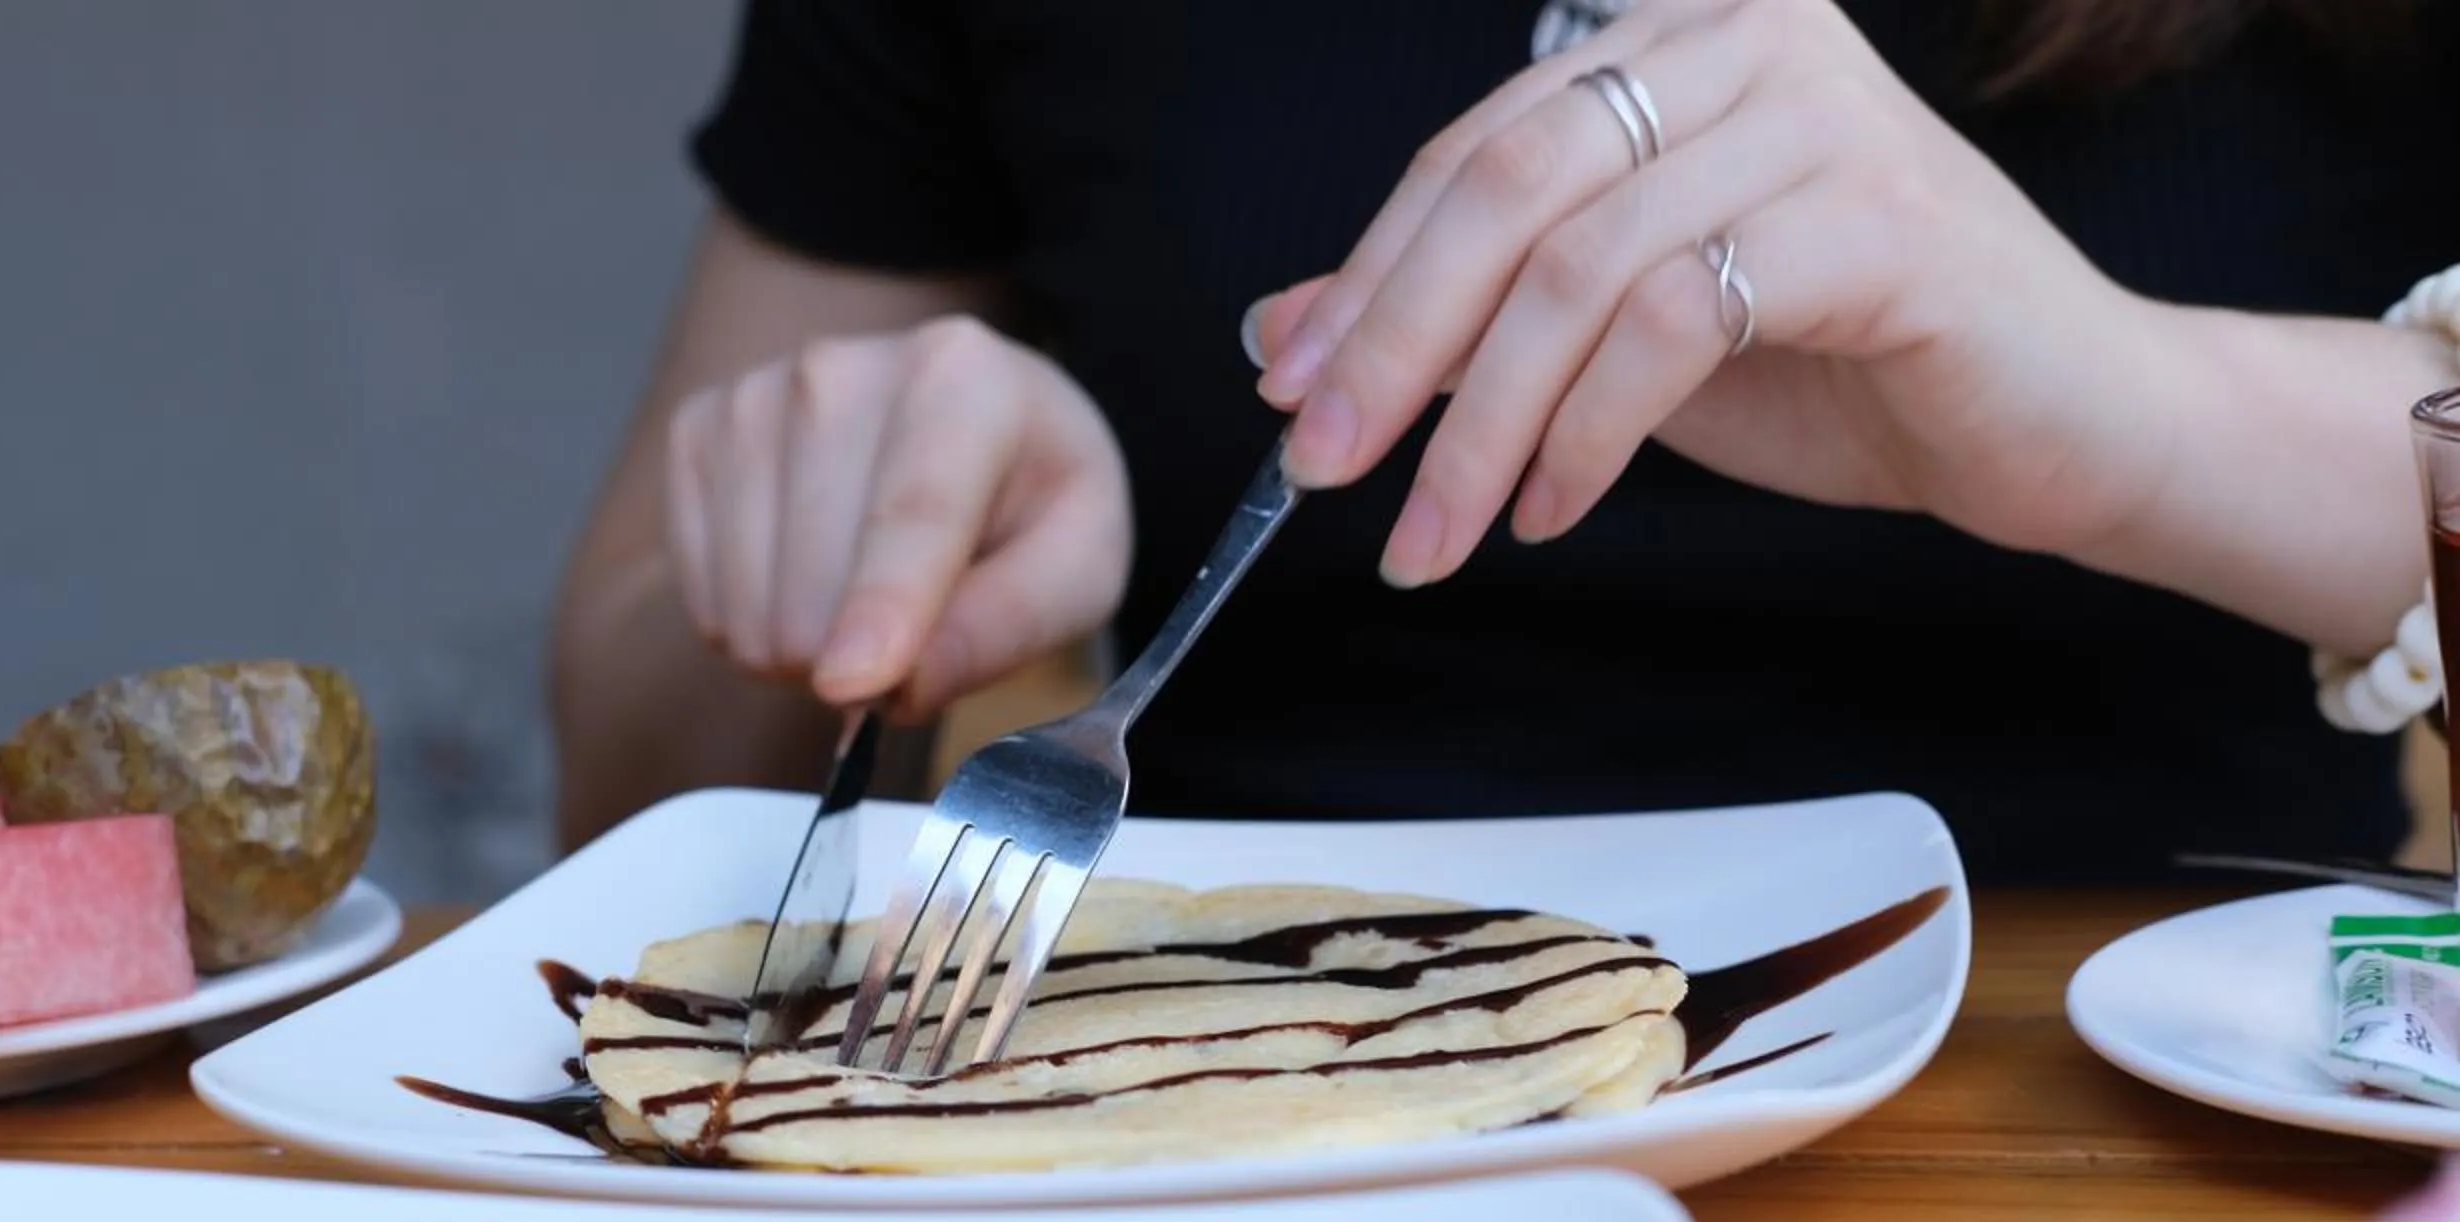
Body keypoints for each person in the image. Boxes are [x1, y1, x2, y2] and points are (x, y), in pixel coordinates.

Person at [548, 0, 2460, 883]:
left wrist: (2124, 405)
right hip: (1227, 1152)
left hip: (2170, 1184)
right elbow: (622, 776)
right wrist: (849, 555)